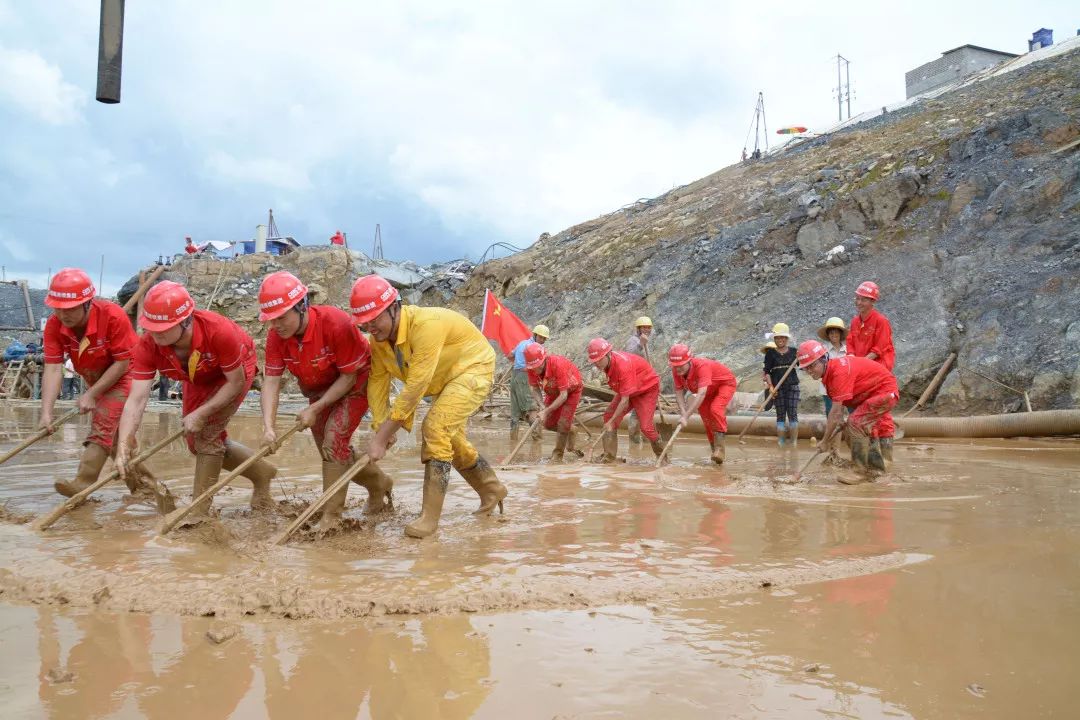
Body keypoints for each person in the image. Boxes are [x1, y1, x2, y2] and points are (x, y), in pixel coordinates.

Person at [352, 274, 506, 539]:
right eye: (365, 323)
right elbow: (377, 383)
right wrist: (380, 425)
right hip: (444, 381)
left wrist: (382, 437)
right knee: (449, 438)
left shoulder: (426, 325)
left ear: (393, 307)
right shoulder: (377, 342)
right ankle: (491, 489)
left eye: (375, 319)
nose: (370, 328)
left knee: (435, 428)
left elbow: (414, 388)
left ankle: (429, 519)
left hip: (473, 368)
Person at [116, 281, 277, 515]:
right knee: (195, 442)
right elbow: (137, 399)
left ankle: (198, 512)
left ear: (185, 320)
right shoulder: (148, 344)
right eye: (151, 327)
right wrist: (125, 441)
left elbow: (236, 383)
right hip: (196, 376)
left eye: (162, 328)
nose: (154, 333)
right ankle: (261, 472)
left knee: (207, 434)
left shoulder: (219, 331)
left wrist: (202, 413)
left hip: (233, 372)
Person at [258, 271, 392, 530]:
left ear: (302, 306)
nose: (276, 325)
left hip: (355, 383)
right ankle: (380, 484)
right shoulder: (277, 336)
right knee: (333, 452)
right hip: (318, 390)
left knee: (333, 443)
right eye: (271, 320)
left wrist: (316, 409)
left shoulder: (336, 323)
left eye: (282, 317)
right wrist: (268, 428)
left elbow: (349, 376)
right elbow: (271, 380)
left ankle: (332, 516)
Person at [39, 268, 151, 497]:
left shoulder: (112, 315)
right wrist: (46, 413)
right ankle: (147, 488)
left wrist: (92, 395)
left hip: (126, 374)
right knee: (115, 441)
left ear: (87, 303)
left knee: (102, 425)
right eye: (58, 309)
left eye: (69, 309)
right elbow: (52, 368)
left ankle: (82, 483)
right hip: (96, 378)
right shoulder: (54, 325)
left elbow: (122, 363)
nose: (63, 315)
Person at [797, 340, 898, 478]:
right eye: (806, 368)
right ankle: (874, 469)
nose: (809, 371)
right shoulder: (829, 376)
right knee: (856, 427)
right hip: (870, 394)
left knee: (855, 423)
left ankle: (860, 471)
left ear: (824, 359)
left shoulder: (839, 372)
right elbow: (839, 414)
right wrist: (841, 423)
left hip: (884, 391)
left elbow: (835, 412)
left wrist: (825, 441)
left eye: (812, 366)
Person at [587, 337, 663, 462]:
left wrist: (611, 421)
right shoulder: (608, 364)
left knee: (646, 427)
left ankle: (662, 456)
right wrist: (611, 420)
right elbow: (624, 396)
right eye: (594, 361)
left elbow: (624, 401)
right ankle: (609, 457)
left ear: (608, 354)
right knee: (608, 416)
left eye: (599, 360)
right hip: (629, 389)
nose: (597, 363)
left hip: (646, 389)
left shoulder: (623, 366)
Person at [846, 281, 896, 465]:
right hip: (861, 371)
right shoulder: (854, 321)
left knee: (880, 412)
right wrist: (852, 360)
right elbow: (850, 344)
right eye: (857, 298)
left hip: (879, 370)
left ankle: (886, 457)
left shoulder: (881, 321)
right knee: (864, 409)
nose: (859, 302)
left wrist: (860, 364)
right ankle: (872, 456)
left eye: (863, 299)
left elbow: (879, 348)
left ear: (872, 302)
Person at [669, 344, 737, 464]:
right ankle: (714, 452)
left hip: (724, 384)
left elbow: (701, 394)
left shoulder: (701, 366)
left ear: (689, 361)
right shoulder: (676, 371)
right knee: (706, 419)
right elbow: (678, 392)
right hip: (708, 390)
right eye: (675, 366)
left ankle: (720, 449)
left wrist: (687, 416)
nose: (678, 369)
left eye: (681, 365)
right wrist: (683, 412)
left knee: (715, 409)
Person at [524, 342, 584, 462]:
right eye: (533, 368)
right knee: (547, 423)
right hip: (553, 390)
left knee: (562, 423)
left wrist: (546, 411)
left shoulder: (558, 364)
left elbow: (564, 395)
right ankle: (571, 429)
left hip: (571, 391)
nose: (536, 370)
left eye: (539, 366)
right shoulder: (532, 368)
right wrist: (542, 406)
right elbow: (534, 388)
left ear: (544, 359)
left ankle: (557, 456)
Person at [508, 324, 549, 437]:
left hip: (515, 377)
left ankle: (513, 440)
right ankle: (538, 440)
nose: (543, 340)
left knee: (515, 413)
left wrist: (517, 364)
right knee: (532, 409)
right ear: (535, 335)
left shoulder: (522, 343)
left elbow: (510, 355)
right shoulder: (536, 348)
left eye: (545, 338)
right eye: (541, 337)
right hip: (525, 377)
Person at [762, 323, 799, 447]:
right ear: (774, 339)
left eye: (783, 337)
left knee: (793, 413)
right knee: (780, 415)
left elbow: (804, 365)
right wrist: (771, 386)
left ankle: (794, 443)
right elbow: (767, 372)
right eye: (777, 338)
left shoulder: (795, 352)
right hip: (777, 388)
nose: (780, 340)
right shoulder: (770, 354)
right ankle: (781, 443)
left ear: (787, 338)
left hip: (792, 386)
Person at [623, 316, 654, 444]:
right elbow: (629, 356)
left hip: (646, 380)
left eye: (648, 327)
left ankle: (642, 440)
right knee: (637, 411)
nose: (646, 329)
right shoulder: (633, 340)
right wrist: (640, 344)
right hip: (636, 382)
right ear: (638, 328)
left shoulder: (646, 341)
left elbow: (646, 360)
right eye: (644, 327)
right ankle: (634, 441)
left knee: (641, 411)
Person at [816, 317, 848, 415]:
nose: (834, 335)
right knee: (831, 413)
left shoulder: (848, 350)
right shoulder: (823, 351)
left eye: (836, 332)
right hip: (828, 389)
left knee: (842, 414)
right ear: (828, 335)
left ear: (840, 333)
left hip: (844, 387)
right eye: (831, 333)